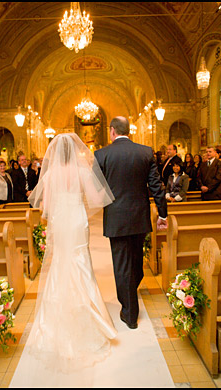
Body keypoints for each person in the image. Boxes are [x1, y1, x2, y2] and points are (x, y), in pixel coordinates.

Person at [17, 133, 116, 380]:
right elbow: (96, 200)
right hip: (77, 219)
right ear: (74, 152)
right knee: (81, 262)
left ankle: (59, 311)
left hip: (60, 221)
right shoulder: (83, 171)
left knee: (60, 262)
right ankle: (86, 309)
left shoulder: (49, 175)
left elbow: (45, 206)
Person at [94, 116, 167, 329]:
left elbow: (96, 188)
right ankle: (130, 309)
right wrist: (162, 214)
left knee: (122, 264)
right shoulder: (145, 152)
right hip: (138, 215)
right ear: (128, 130)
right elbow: (156, 186)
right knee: (135, 260)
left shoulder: (101, 154)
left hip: (116, 218)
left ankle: (128, 307)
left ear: (112, 131)